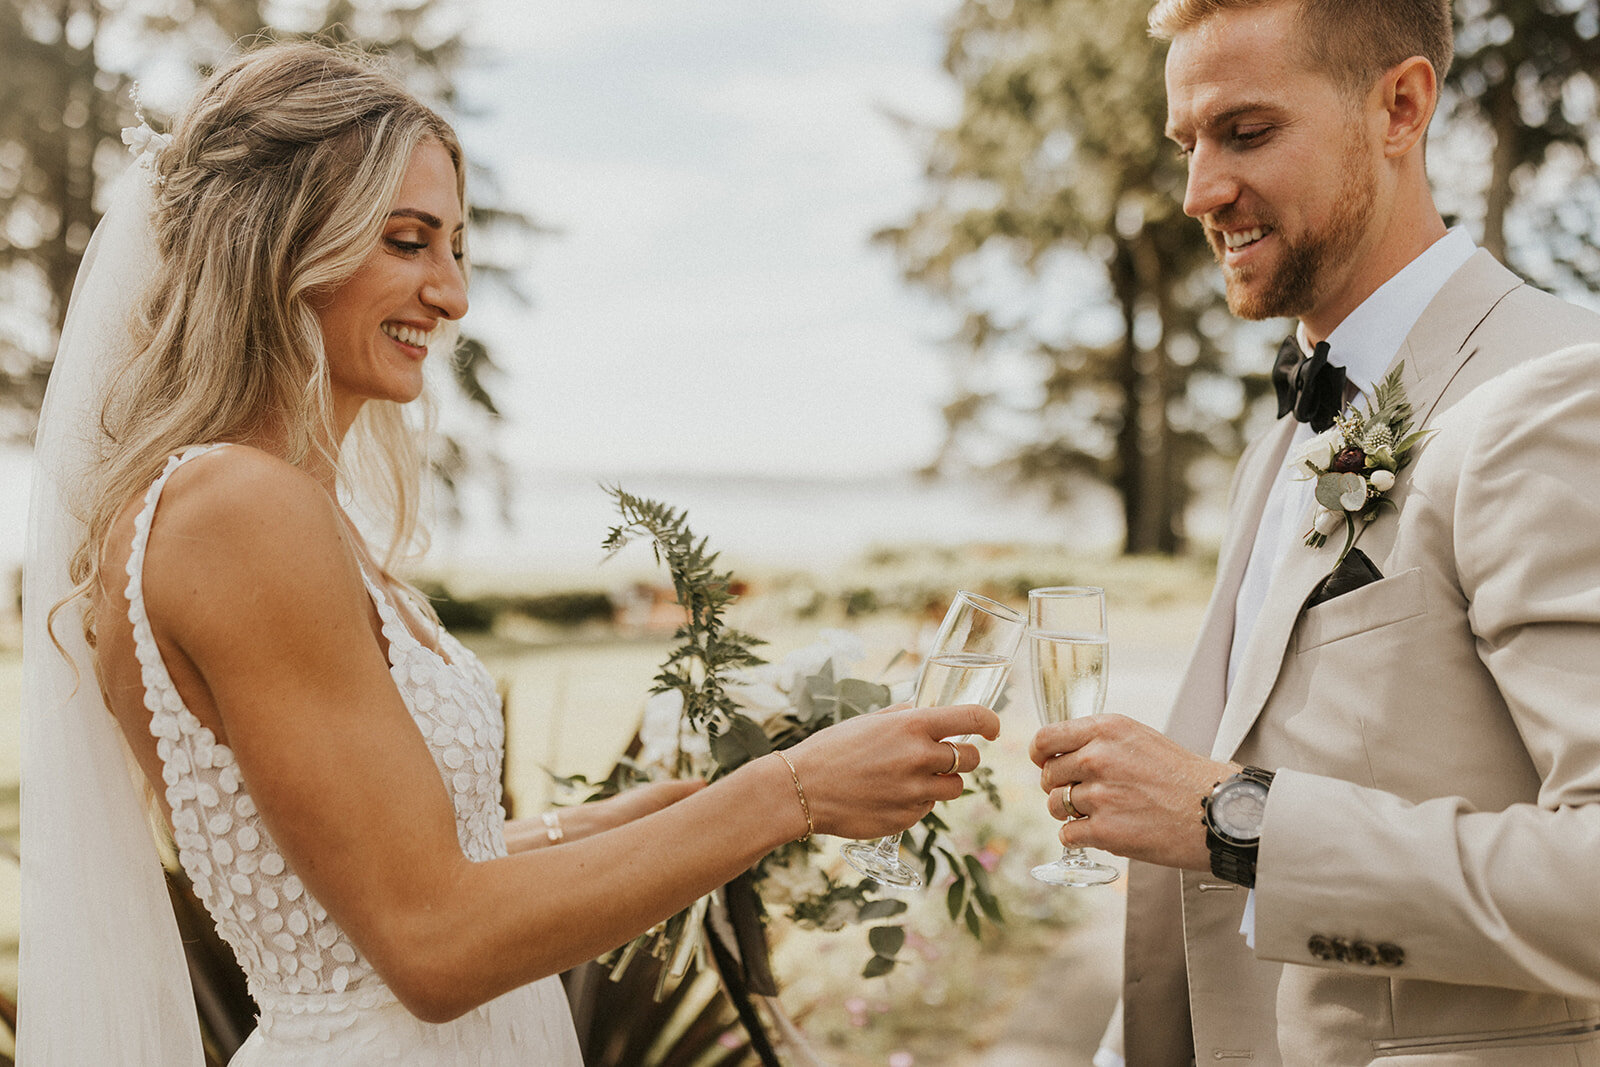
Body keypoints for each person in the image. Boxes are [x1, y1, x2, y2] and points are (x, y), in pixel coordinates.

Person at [17, 42, 1001, 1065]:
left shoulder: (256, 506)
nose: (451, 294)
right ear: (278, 247)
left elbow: (389, 873)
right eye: (407, 242)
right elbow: (431, 942)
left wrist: (659, 812)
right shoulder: (238, 508)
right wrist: (787, 790)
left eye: (454, 247)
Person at [1027, 0, 1600, 1062]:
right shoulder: (1281, 445)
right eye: (1186, 144)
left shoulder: (1557, 395)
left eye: (1245, 133)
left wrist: (1230, 817)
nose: (1201, 191)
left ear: (1400, 106)